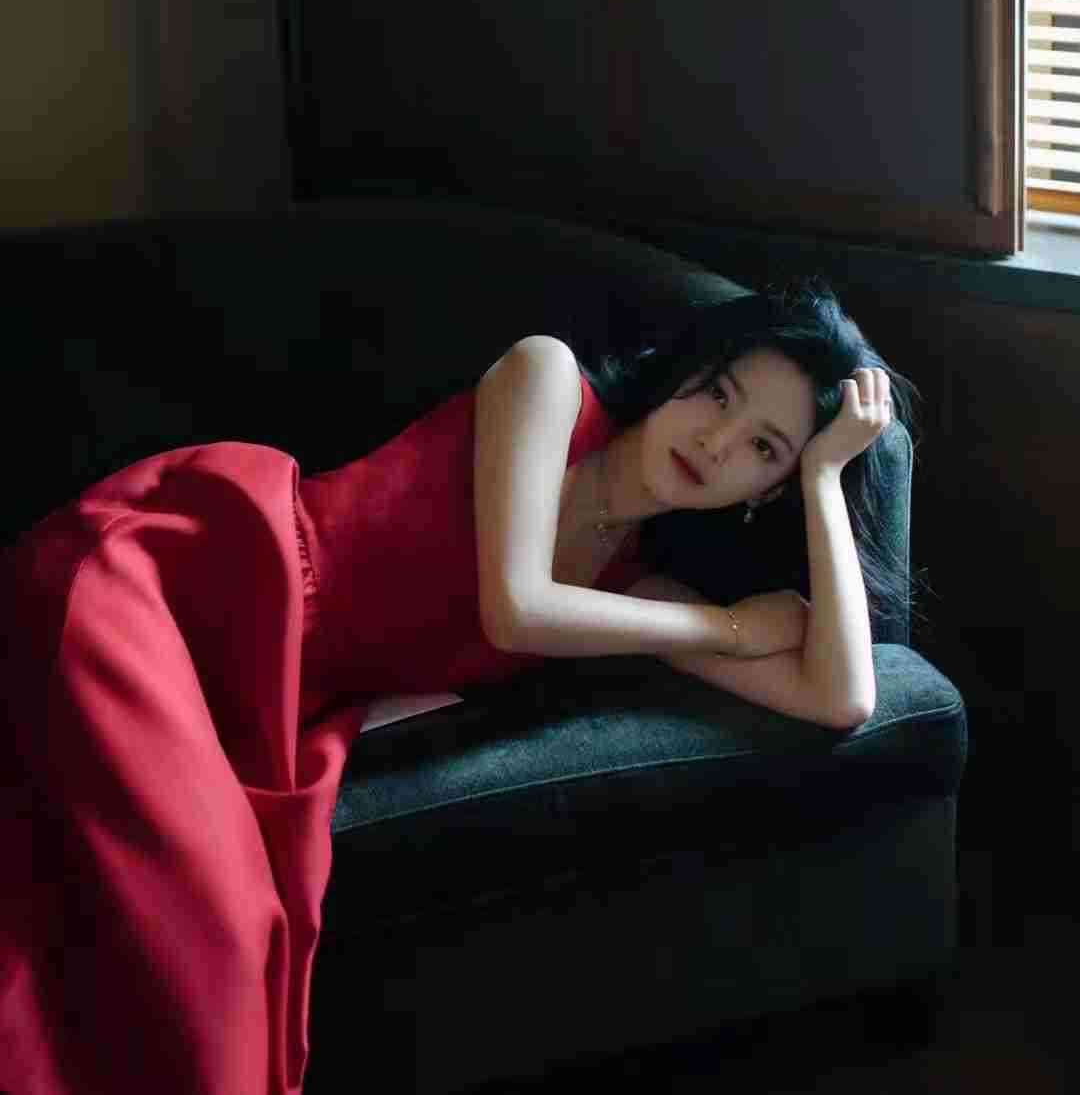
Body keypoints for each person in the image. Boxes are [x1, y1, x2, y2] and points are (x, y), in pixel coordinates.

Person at [0, 271, 925, 1095]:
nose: (717, 441)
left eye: (763, 449)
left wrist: (824, 478)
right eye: (718, 394)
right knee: (213, 931)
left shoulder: (639, 591)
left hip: (258, 698)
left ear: (766, 491)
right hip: (176, 585)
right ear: (686, 370)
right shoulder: (549, 382)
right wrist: (728, 627)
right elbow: (517, 608)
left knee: (186, 944)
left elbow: (841, 697)